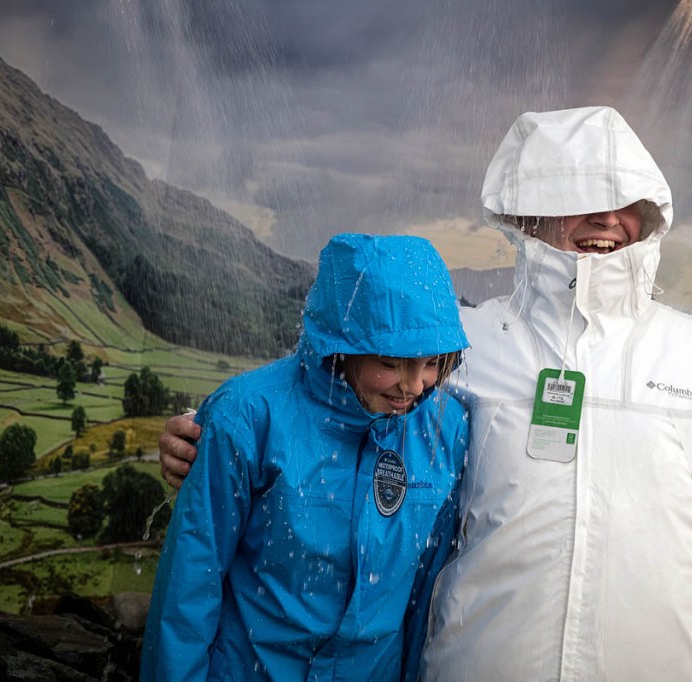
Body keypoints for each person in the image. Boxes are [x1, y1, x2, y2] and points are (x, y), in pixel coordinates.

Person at [161, 107, 692, 681]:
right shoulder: (463, 352)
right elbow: (321, 403)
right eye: (580, 196)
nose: (607, 217)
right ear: (529, 210)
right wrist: (206, 441)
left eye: (628, 202)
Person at [141, 233, 469, 681]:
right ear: (342, 343)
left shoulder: (444, 432)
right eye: (391, 364)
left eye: (432, 363)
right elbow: (189, 589)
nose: (413, 386)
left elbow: (423, 599)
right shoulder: (249, 416)